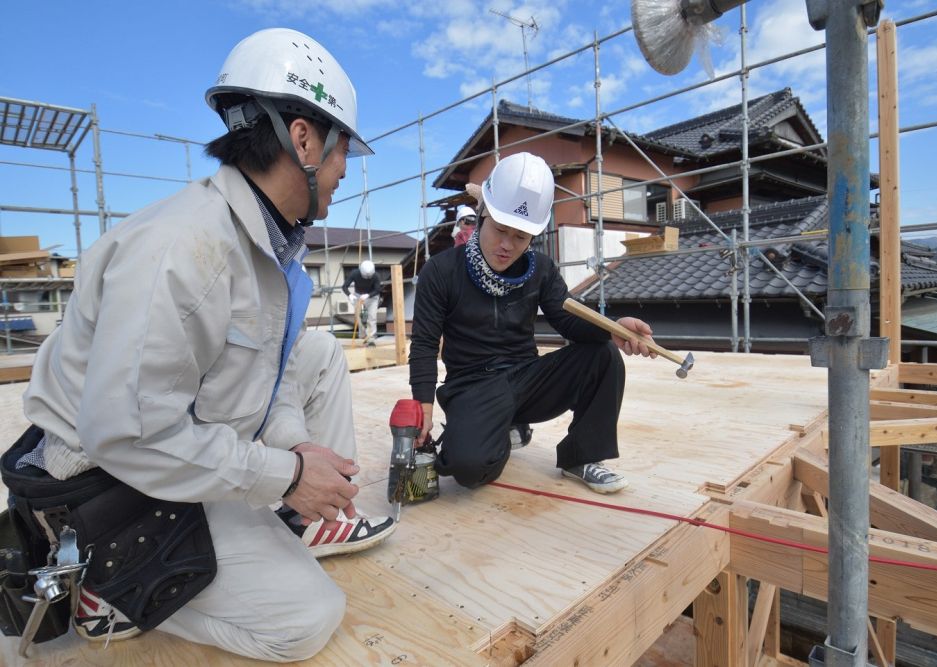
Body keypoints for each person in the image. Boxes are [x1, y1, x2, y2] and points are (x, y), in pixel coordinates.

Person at [7, 28, 394, 662]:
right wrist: (284, 475)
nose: (345, 171)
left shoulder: (266, 248)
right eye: (342, 151)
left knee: (318, 353)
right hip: (111, 485)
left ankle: (301, 517)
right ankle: (112, 597)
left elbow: (280, 371)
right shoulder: (185, 253)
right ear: (303, 139)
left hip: (180, 444)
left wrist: (296, 450)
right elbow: (128, 435)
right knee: (308, 618)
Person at [409, 152, 656, 495]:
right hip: (472, 386)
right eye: (501, 231)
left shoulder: (539, 268)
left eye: (522, 236)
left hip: (527, 379)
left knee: (602, 355)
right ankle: (504, 431)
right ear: (484, 214)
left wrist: (614, 328)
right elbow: (423, 342)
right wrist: (422, 400)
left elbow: (569, 319)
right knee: (466, 468)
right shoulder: (441, 271)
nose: (508, 246)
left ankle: (580, 457)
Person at [342, 259, 381, 345]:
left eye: (369, 276)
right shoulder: (355, 273)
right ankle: (362, 335)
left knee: (372, 317)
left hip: (372, 297)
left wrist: (368, 295)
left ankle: (371, 337)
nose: (367, 278)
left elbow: (378, 289)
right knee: (357, 317)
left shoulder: (375, 276)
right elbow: (344, 286)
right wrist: (349, 295)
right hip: (358, 296)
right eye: (366, 276)